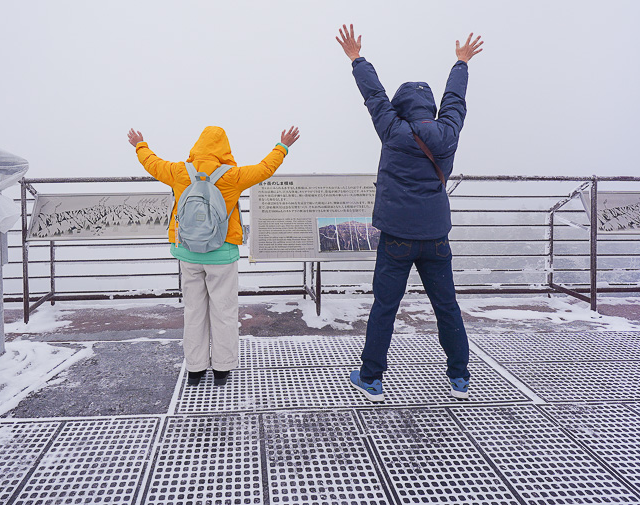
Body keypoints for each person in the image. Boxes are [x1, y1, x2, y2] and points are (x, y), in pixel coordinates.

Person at [335, 23, 484, 402]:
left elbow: (374, 96)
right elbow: (456, 100)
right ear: (430, 107)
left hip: (397, 237)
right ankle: (459, 378)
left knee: (386, 305)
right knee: (446, 306)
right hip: (435, 238)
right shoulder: (448, 131)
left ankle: (371, 378)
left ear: (401, 107)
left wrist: (356, 58)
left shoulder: (393, 131)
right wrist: (461, 63)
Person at [127, 125, 301, 386]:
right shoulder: (232, 175)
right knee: (224, 311)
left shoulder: (178, 172)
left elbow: (152, 163)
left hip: (187, 252)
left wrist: (140, 144)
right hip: (222, 253)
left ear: (197, 146)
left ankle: (195, 370)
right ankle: (222, 368)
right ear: (224, 149)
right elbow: (265, 168)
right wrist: (283, 146)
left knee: (194, 310)